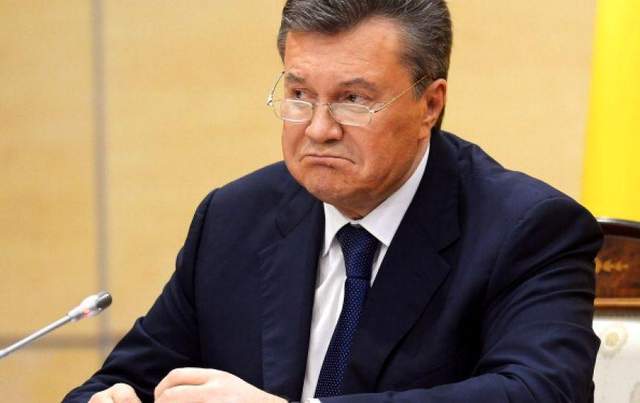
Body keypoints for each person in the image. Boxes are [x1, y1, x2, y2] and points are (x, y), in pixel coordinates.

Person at [64, 1, 603, 402]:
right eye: (299, 95)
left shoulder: (526, 229)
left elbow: (542, 391)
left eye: (353, 99)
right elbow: (123, 380)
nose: (319, 129)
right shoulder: (233, 218)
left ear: (430, 105)